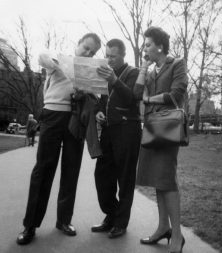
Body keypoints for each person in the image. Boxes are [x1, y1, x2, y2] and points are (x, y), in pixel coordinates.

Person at [16, 33, 101, 245]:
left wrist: (86, 91)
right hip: (53, 116)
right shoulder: (60, 60)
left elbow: (98, 94)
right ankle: (30, 225)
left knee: (71, 170)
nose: (88, 53)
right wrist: (72, 71)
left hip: (76, 119)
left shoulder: (90, 70)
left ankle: (64, 220)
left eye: (92, 52)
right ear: (78, 43)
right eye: (86, 47)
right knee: (43, 169)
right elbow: (42, 57)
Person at [134, 26, 188, 253]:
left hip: (168, 129)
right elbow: (137, 94)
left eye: (147, 45)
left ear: (159, 46)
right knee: (158, 179)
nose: (145, 48)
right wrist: (143, 71)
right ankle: (162, 227)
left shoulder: (177, 64)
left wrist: (149, 99)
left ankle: (177, 235)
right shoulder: (151, 70)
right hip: (152, 129)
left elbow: (176, 94)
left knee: (166, 178)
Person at [91, 39, 141, 239]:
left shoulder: (134, 73)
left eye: (113, 56)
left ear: (123, 55)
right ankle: (111, 215)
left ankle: (121, 223)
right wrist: (98, 112)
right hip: (109, 130)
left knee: (125, 178)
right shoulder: (104, 74)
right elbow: (101, 101)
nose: (109, 59)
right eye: (107, 55)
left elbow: (131, 98)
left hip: (128, 130)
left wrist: (114, 80)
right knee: (102, 175)